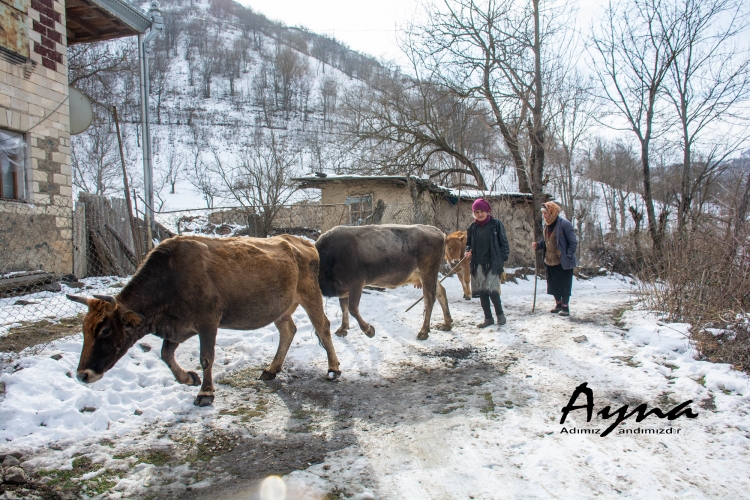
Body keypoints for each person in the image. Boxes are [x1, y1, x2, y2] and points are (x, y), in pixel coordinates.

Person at [465, 198, 510, 328]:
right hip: (477, 263)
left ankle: (500, 316)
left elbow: (503, 242)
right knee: (482, 292)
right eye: (477, 212)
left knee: (492, 291)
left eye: (482, 211)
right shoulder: (472, 228)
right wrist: (467, 251)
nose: (480, 214)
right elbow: (468, 244)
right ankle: (488, 318)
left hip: (493, 263)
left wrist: (503, 258)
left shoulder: (496, 224)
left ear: (487, 211)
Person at [531, 201, 578, 316]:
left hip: (562, 261)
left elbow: (573, 242)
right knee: (553, 283)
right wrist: (538, 245)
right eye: (543, 213)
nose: (544, 216)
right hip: (550, 260)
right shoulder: (547, 225)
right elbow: (546, 241)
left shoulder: (564, 224)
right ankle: (558, 304)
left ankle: (565, 307)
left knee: (564, 284)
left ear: (552, 212)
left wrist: (568, 256)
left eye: (545, 213)